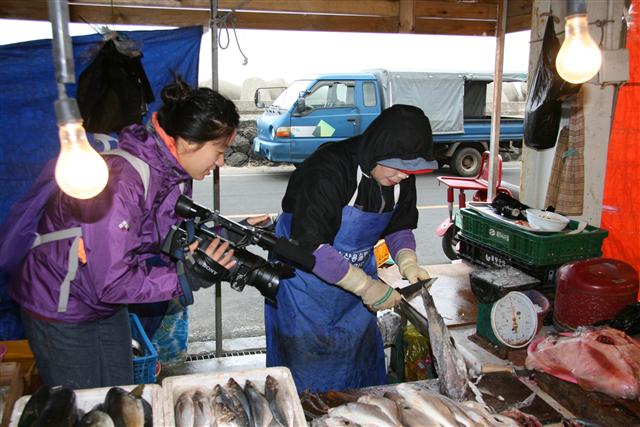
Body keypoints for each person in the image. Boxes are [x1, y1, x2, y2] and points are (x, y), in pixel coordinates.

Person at [7, 77, 241, 389]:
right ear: (187, 142)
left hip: (102, 300)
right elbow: (111, 280)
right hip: (61, 303)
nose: (221, 162)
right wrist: (185, 279)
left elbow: (153, 236)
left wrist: (206, 242)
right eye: (220, 150)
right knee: (83, 404)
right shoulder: (124, 181)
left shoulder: (172, 175)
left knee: (121, 391)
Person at [265, 104, 436, 393]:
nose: (403, 177)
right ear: (377, 152)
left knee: (358, 365)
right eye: (397, 169)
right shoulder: (330, 167)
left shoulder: (400, 177)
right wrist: (367, 287)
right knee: (306, 368)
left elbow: (398, 226)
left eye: (410, 171)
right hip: (304, 283)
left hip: (354, 285)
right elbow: (311, 246)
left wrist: (408, 261)